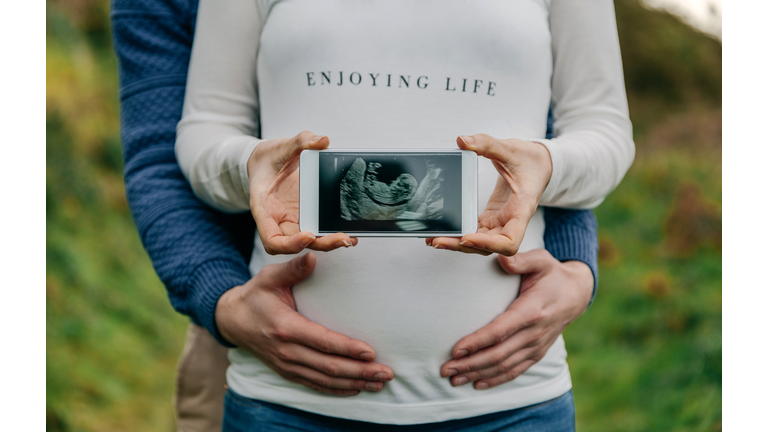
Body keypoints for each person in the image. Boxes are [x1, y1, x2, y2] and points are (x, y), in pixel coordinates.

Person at [110, 0, 606, 430]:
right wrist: (220, 300)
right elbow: (167, 153)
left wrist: (575, 268)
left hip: (511, 401)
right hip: (280, 390)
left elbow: (551, 131)